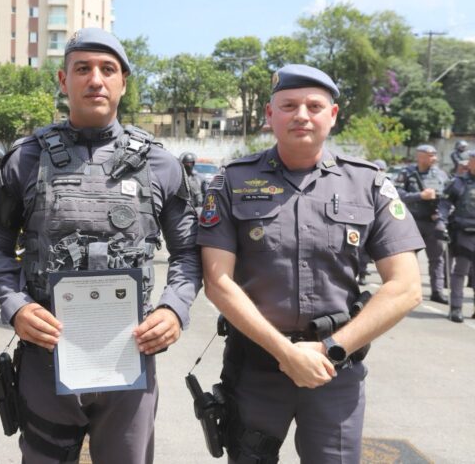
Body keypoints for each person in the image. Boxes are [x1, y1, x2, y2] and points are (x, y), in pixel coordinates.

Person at [0, 27, 202, 463]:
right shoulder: (25, 158)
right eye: (82, 69)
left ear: (123, 81)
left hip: (130, 358)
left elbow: (190, 252)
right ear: (64, 81)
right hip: (47, 356)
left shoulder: (160, 163)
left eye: (107, 69)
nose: (95, 79)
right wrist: (15, 306)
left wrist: (174, 308)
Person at [198, 64, 423, 463]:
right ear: (269, 115)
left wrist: (332, 349)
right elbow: (218, 281)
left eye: (314, 105)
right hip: (255, 369)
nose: (301, 114)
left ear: (332, 116)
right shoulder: (231, 182)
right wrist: (286, 353)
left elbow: (405, 286)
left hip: (335, 371)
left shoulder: (369, 183)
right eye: (288, 105)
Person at [396, 144, 450, 303]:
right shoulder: (407, 173)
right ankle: (405, 289)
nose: (435, 158)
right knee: (407, 258)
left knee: (437, 258)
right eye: (430, 155)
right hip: (412, 221)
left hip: (433, 222)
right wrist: (420, 196)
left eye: (435, 155)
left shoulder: (441, 175)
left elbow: (448, 197)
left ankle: (437, 291)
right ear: (420, 156)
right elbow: (397, 194)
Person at [439, 150, 475, 323]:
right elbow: (444, 204)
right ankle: (456, 308)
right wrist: (441, 222)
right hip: (463, 234)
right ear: (470, 162)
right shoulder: (459, 183)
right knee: (460, 272)